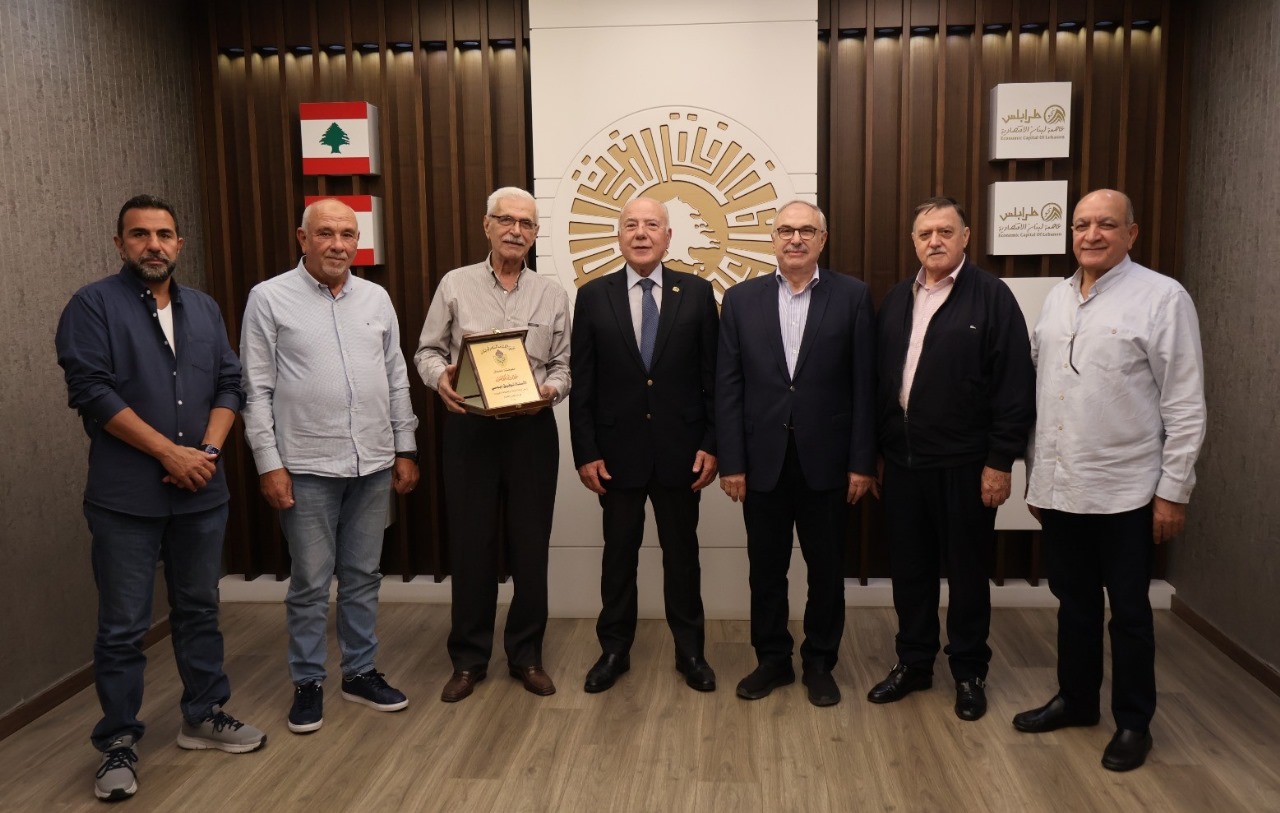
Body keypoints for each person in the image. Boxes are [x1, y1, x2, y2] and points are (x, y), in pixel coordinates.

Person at [56, 195, 266, 802]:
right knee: (123, 627)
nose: (154, 244)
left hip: (201, 491)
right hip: (126, 499)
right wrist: (169, 454)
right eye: (140, 234)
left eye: (165, 234)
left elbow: (229, 383)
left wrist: (206, 452)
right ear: (119, 243)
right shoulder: (93, 306)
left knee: (199, 610)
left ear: (179, 243)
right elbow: (91, 391)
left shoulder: (204, 308)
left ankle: (203, 715)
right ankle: (118, 743)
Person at [1014, 189, 1206, 772]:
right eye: (1081, 225)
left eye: (1106, 224)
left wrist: (1173, 491)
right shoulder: (1057, 298)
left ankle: (1132, 722)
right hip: (1063, 488)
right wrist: (1038, 480)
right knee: (1072, 603)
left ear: (1131, 233)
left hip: (1129, 490)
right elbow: (1045, 395)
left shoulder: (1163, 298)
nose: (1091, 235)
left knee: (1129, 612)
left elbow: (1185, 404)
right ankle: (1076, 701)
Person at [240, 198, 420, 735]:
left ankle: (359, 672)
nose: (338, 244)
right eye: (325, 233)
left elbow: (395, 377)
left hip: (373, 462)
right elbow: (255, 389)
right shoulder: (269, 298)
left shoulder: (376, 297)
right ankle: (308, 681)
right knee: (311, 581)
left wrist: (405, 448)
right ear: (303, 238)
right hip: (305, 466)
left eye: (347, 234)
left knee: (363, 575)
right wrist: (268, 464)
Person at [868, 197, 1035, 721]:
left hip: (966, 464)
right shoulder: (898, 298)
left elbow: (1014, 385)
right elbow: (881, 382)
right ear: (914, 242)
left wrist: (1000, 461)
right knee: (909, 570)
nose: (934, 241)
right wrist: (879, 450)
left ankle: (968, 670)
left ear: (965, 237)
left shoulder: (992, 297)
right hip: (903, 463)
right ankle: (914, 662)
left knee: (966, 573)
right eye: (925, 234)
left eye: (945, 231)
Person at [716, 200, 876, 707]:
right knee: (766, 569)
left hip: (828, 461)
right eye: (786, 230)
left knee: (826, 569)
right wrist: (732, 462)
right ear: (773, 239)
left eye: (807, 230)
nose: (796, 239)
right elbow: (728, 387)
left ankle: (820, 662)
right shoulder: (740, 300)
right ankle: (772, 660)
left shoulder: (852, 296)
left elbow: (865, 386)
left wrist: (861, 462)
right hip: (761, 460)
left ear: (822, 240)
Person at [415, 186, 572, 702]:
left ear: (535, 234)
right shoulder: (455, 284)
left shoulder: (551, 293)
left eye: (526, 224)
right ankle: (468, 660)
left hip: (532, 431)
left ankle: (527, 656)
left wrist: (551, 390)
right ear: (487, 225)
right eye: (506, 220)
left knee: (530, 548)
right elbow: (427, 351)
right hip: (471, 431)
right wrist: (440, 379)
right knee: (471, 546)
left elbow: (564, 365)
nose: (515, 231)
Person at [569, 197, 719, 694]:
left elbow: (713, 378)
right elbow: (583, 383)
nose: (641, 233)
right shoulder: (593, 296)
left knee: (683, 557)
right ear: (618, 236)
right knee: (618, 558)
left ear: (668, 237)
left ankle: (690, 651)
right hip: (616, 455)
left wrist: (712, 443)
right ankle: (614, 650)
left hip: (682, 452)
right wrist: (586, 451)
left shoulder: (697, 293)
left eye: (652, 225)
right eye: (631, 225)